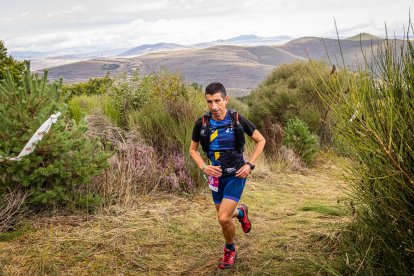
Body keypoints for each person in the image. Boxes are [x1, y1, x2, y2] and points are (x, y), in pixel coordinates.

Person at [189, 82, 266, 269]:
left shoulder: (237, 119)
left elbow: (261, 140)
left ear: (226, 99)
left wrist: (250, 165)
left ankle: (230, 250)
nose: (214, 107)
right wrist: (203, 167)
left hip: (236, 174)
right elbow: (193, 150)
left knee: (223, 218)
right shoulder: (202, 122)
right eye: (209, 102)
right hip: (215, 177)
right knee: (226, 217)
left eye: (217, 101)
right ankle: (241, 212)